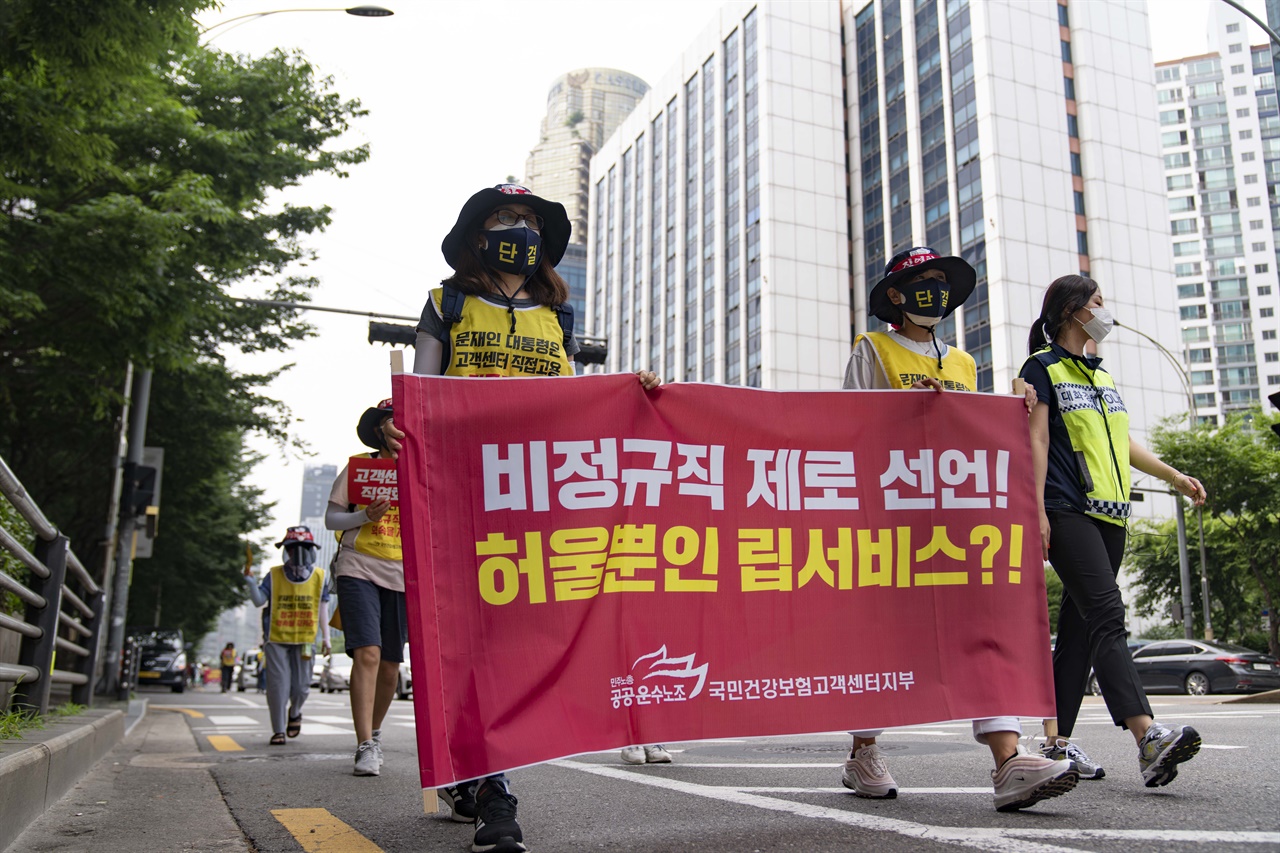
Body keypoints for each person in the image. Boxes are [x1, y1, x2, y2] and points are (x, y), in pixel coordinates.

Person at [384, 183, 660, 853]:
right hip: (457, 493)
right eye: (507, 218)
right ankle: (493, 790)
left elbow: (573, 408)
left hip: (530, 501)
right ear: (479, 235)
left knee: (511, 645)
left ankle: (476, 770)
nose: (519, 229)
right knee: (472, 643)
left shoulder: (557, 321)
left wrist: (633, 396)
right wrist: (382, 421)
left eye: (530, 221)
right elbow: (417, 399)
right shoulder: (446, 304)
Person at [841, 246, 1079, 812]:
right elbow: (845, 424)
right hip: (893, 518)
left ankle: (1008, 761)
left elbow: (979, 435)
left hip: (958, 521)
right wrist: (906, 414)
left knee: (983, 628)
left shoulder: (966, 363)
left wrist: (1017, 406)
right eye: (922, 282)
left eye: (940, 282)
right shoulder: (872, 349)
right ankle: (863, 750)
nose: (934, 291)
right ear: (894, 296)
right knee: (885, 636)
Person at [1020, 274, 1206, 788]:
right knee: (1107, 614)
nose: (1105, 308)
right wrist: (1035, 513)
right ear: (1070, 311)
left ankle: (1056, 746)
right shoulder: (1041, 368)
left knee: (1079, 633)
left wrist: (1173, 475)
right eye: (1097, 301)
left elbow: (1122, 443)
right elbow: (1034, 443)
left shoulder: (1102, 378)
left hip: (1111, 515)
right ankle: (1147, 737)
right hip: (1066, 509)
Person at [326, 399, 407, 778]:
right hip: (358, 566)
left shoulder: (423, 470)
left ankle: (374, 732)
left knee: (391, 665)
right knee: (369, 654)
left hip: (405, 575)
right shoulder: (361, 466)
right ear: (380, 429)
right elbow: (332, 518)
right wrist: (364, 515)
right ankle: (365, 745)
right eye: (393, 421)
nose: (399, 429)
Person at [243, 525, 332, 745]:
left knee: (302, 687)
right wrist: (250, 582)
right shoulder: (273, 576)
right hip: (277, 638)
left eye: (303, 548)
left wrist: (327, 638)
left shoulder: (320, 577)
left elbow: (323, 609)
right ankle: (278, 730)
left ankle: (295, 712)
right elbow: (258, 601)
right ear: (286, 550)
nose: (297, 553)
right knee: (277, 686)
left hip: (305, 639)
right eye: (293, 548)